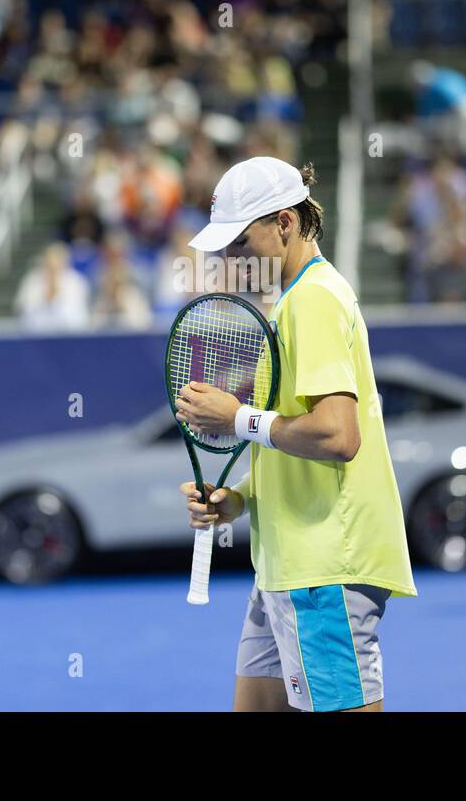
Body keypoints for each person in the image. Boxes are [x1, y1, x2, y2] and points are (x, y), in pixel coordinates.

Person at [172, 156, 416, 712]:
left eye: (241, 241)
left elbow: (337, 435)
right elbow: (289, 438)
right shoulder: (290, 301)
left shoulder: (313, 299)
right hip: (284, 562)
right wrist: (236, 500)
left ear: (285, 223)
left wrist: (236, 419)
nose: (232, 258)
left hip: (324, 566)